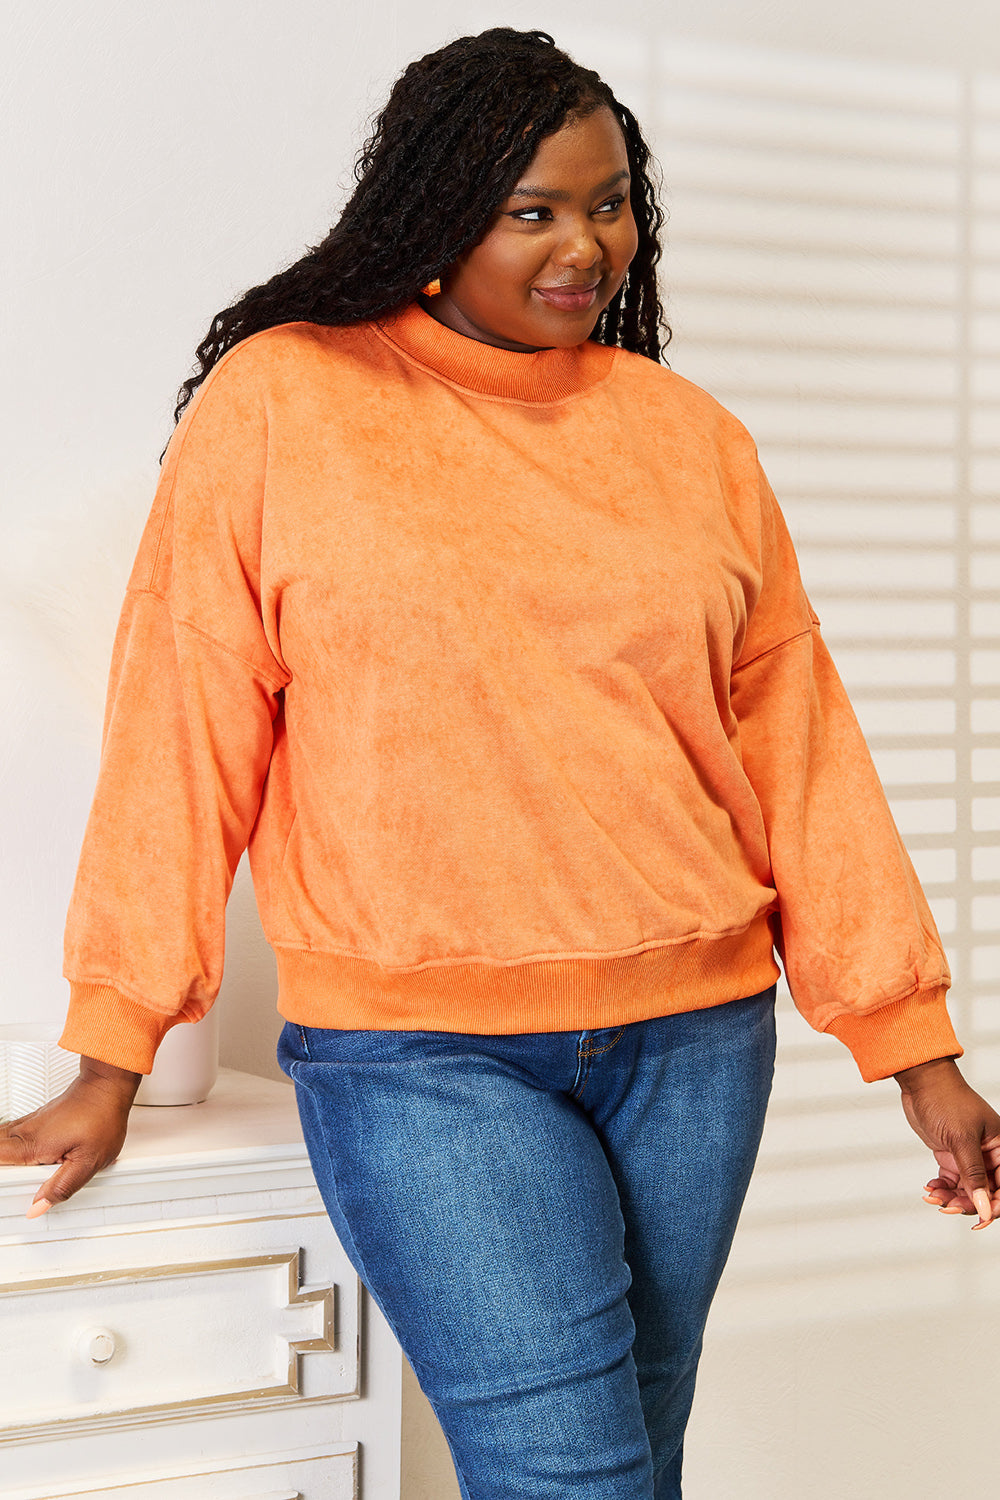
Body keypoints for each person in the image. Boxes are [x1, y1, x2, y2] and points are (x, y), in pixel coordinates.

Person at [1, 26, 998, 1500]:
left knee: (635, 1459)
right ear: (431, 210)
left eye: (608, 202)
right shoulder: (284, 405)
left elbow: (799, 744)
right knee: (568, 1475)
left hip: (697, 1038)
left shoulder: (689, 437)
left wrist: (917, 1048)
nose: (582, 246)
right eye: (531, 209)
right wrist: (114, 1049)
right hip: (419, 1055)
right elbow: (182, 729)